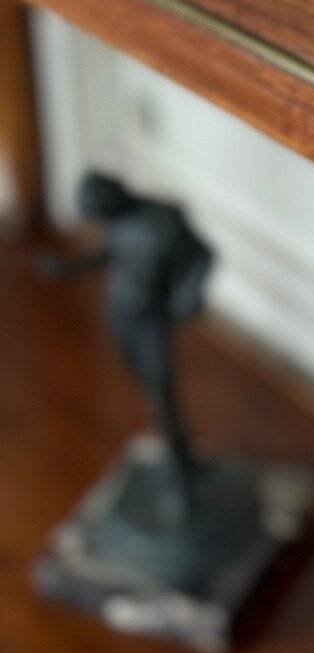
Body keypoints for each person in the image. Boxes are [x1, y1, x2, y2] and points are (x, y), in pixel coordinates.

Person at [40, 172, 213, 520]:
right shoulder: (116, 223)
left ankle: (180, 473)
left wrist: (190, 291)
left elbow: (203, 255)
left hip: (152, 320)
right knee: (148, 391)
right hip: (120, 314)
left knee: (161, 395)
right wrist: (69, 268)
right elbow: (109, 254)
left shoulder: (165, 219)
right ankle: (178, 452)